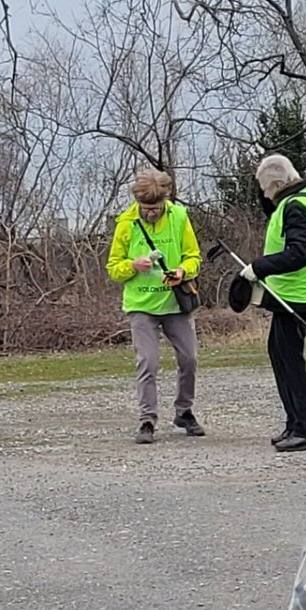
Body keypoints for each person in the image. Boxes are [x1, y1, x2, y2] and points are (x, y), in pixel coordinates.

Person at [106, 168, 204, 444]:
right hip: (141, 305)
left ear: (165, 200)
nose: (150, 213)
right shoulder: (125, 224)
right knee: (147, 362)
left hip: (174, 303)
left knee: (189, 358)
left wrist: (183, 272)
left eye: (156, 208)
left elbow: (194, 256)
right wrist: (132, 266)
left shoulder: (179, 218)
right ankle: (147, 419)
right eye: (145, 208)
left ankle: (184, 411)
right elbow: (113, 269)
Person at [238, 154, 306, 452]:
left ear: (275, 185)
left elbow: (299, 252)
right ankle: (294, 423)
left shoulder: (297, 206)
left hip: (297, 294)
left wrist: (259, 267)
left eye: (265, 189)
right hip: (289, 292)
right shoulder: (300, 199)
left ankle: (305, 428)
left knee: (290, 361)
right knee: (279, 354)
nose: (265, 196)